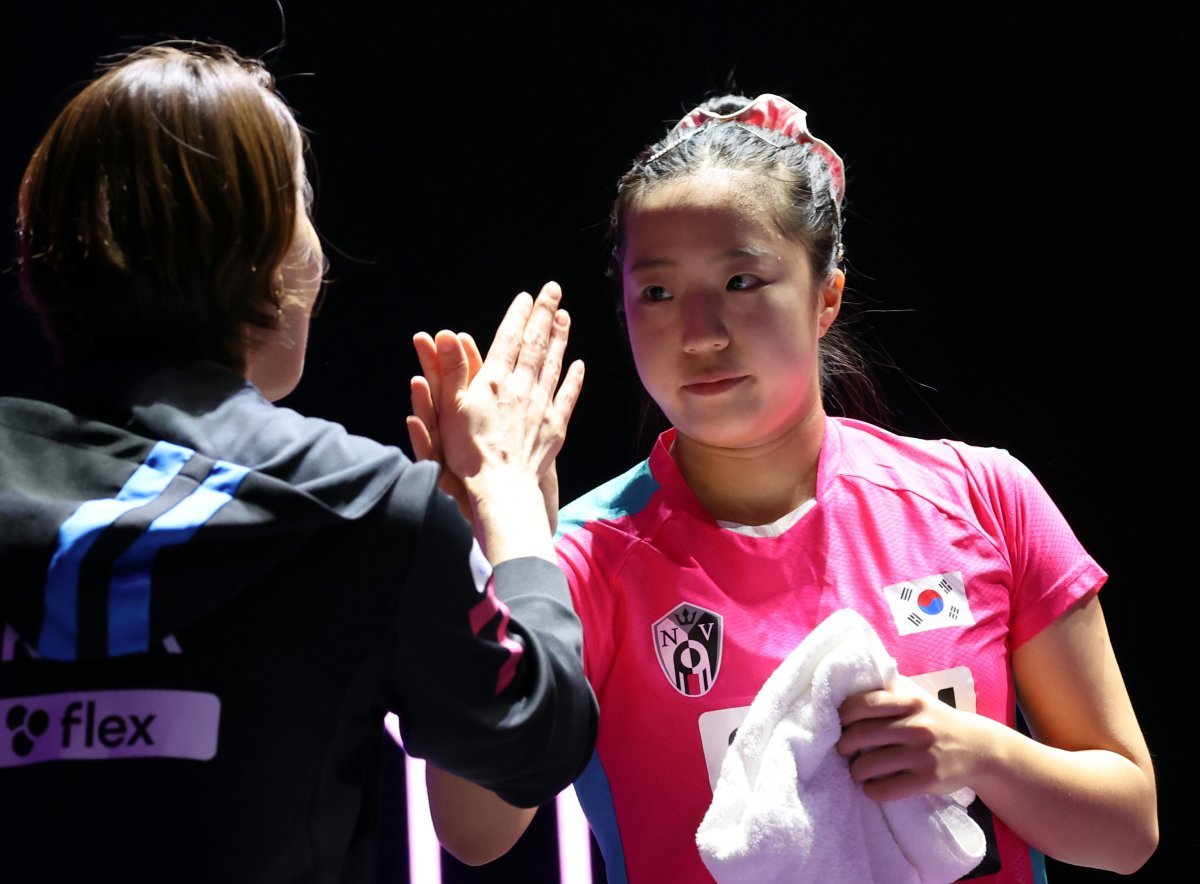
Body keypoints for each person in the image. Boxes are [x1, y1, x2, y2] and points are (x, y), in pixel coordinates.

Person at [411, 93, 1158, 882]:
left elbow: (1128, 829)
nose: (701, 333)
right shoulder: (576, 560)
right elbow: (474, 831)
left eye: (741, 281)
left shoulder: (986, 497)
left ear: (825, 297)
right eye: (658, 293)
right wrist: (493, 552)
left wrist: (979, 754)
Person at [0, 42, 597, 883]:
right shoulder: (362, 508)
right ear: (269, 254)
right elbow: (539, 738)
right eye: (302, 203)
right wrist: (508, 495)